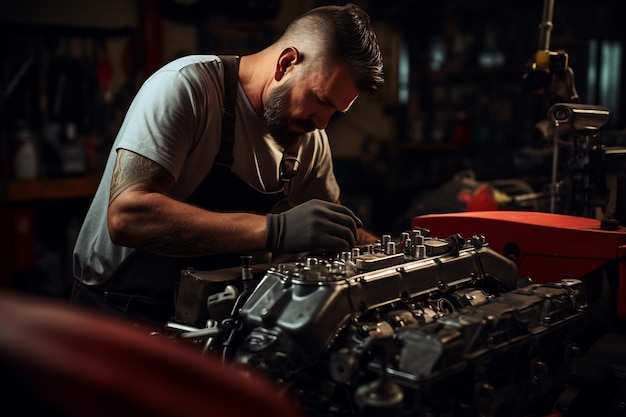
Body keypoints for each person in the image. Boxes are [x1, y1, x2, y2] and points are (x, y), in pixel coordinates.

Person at [71, 3, 385, 329]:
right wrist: (274, 230)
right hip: (121, 313)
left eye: (336, 111)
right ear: (287, 63)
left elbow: (334, 229)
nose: (322, 123)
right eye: (321, 100)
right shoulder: (188, 88)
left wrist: (393, 251)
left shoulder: (310, 138)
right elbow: (127, 218)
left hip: (217, 322)